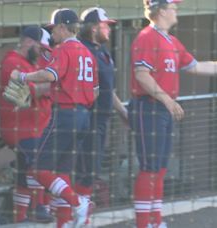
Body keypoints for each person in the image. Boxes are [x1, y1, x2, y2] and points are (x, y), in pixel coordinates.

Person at [129, 1, 217, 227]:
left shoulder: (172, 41)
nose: (176, 10)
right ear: (160, 11)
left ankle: (155, 222)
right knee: (149, 167)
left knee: (160, 168)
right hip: (149, 107)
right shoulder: (147, 37)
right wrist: (167, 100)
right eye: (173, 7)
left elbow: (198, 67)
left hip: (163, 110)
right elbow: (142, 75)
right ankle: (143, 223)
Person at [9, 8, 98, 228]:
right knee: (61, 172)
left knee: (38, 169)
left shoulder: (65, 48)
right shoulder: (87, 51)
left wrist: (23, 76)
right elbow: (95, 91)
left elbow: (50, 75)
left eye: (53, 29)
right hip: (84, 116)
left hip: (66, 114)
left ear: (61, 26)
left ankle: (79, 203)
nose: (53, 34)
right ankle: (66, 222)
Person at [0, 25, 54, 223]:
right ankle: (37, 207)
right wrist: (54, 85)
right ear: (29, 42)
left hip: (36, 128)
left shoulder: (31, 63)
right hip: (21, 129)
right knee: (40, 166)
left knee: (24, 175)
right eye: (40, 48)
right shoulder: (12, 61)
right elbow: (24, 93)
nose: (41, 53)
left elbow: (38, 87)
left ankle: (20, 217)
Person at [77, 7, 128, 204]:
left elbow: (108, 89)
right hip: (87, 118)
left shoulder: (103, 51)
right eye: (105, 26)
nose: (109, 29)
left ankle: (82, 211)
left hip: (101, 119)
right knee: (85, 169)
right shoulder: (82, 50)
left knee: (92, 168)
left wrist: (123, 111)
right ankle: (77, 212)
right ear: (93, 28)